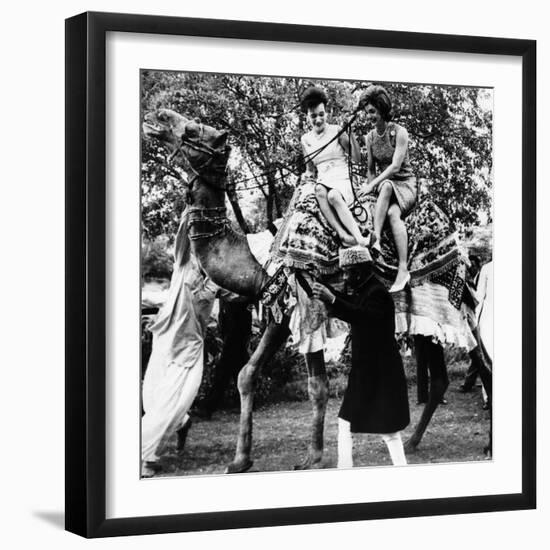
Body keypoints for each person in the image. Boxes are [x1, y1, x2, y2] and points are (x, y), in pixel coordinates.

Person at [312, 246, 410, 467]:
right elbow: (353, 305)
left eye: (348, 272)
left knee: (388, 431)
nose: (345, 276)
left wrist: (333, 299)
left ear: (359, 271)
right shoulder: (367, 290)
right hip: (368, 371)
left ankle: (399, 471)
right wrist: (327, 291)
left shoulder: (378, 294)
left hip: (380, 373)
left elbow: (361, 316)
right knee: (347, 422)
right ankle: (345, 469)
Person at [141, 208, 218, 477]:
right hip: (168, 337)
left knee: (174, 400)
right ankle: (151, 447)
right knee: (155, 397)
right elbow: (182, 237)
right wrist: (192, 209)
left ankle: (146, 455)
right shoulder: (184, 262)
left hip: (189, 346)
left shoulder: (214, 279)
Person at [360, 85, 418, 292]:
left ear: (382, 110)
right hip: (384, 187)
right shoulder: (370, 138)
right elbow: (370, 169)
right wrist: (370, 187)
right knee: (391, 212)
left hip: (404, 184)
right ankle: (400, 267)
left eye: (372, 112)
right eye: (367, 113)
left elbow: (394, 167)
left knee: (388, 196)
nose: (369, 117)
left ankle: (377, 239)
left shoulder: (399, 132)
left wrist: (373, 186)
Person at [300, 86, 368, 248]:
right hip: (323, 180)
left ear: (327, 112)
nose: (318, 120)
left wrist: (349, 134)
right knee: (319, 191)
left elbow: (357, 159)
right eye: (313, 116)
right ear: (307, 116)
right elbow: (310, 170)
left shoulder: (337, 130)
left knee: (333, 196)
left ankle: (360, 239)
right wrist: (305, 177)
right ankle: (343, 235)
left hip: (342, 178)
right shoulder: (305, 139)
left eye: (321, 114)